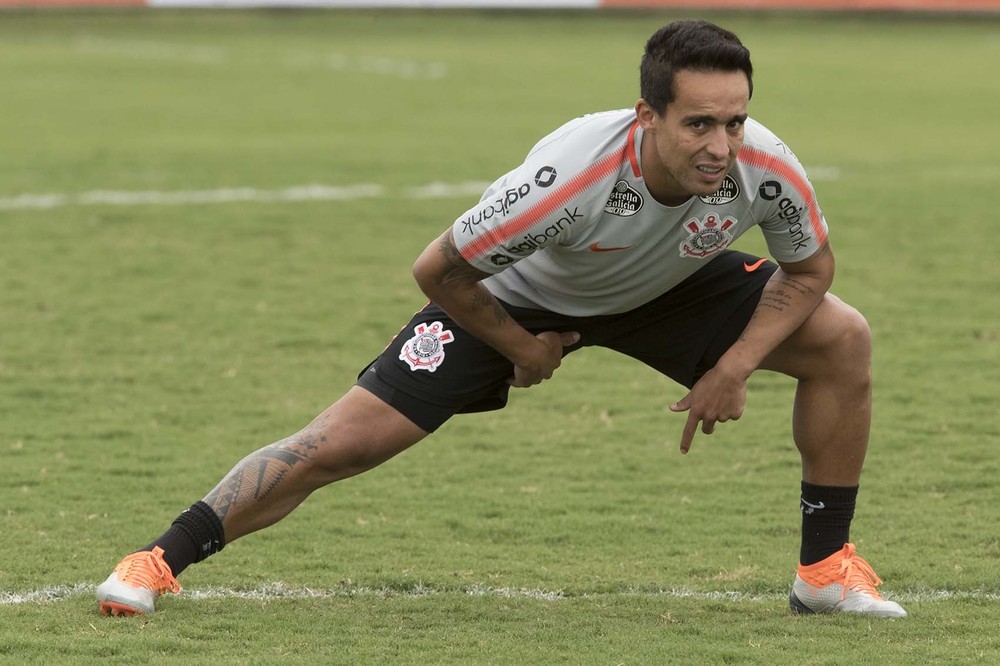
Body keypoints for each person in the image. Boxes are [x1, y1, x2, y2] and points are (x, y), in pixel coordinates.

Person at [96, 19, 906, 618]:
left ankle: (824, 571)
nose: (722, 146)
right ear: (647, 116)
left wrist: (734, 365)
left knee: (844, 338)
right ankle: (156, 560)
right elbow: (438, 269)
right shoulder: (568, 182)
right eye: (699, 123)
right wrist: (521, 346)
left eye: (734, 121)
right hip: (522, 295)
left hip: (672, 285)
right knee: (344, 443)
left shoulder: (762, 166)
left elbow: (811, 270)